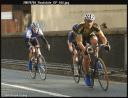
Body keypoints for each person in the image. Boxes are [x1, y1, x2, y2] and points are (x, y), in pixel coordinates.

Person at [74, 13, 110, 86]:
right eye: (87, 21)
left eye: (91, 21)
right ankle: (87, 75)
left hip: (90, 36)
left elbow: (102, 37)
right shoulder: (80, 27)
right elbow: (79, 42)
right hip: (81, 40)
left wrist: (104, 44)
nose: (89, 23)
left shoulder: (95, 26)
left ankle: (96, 59)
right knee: (86, 57)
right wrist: (85, 50)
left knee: (95, 40)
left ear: (93, 21)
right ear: (84, 20)